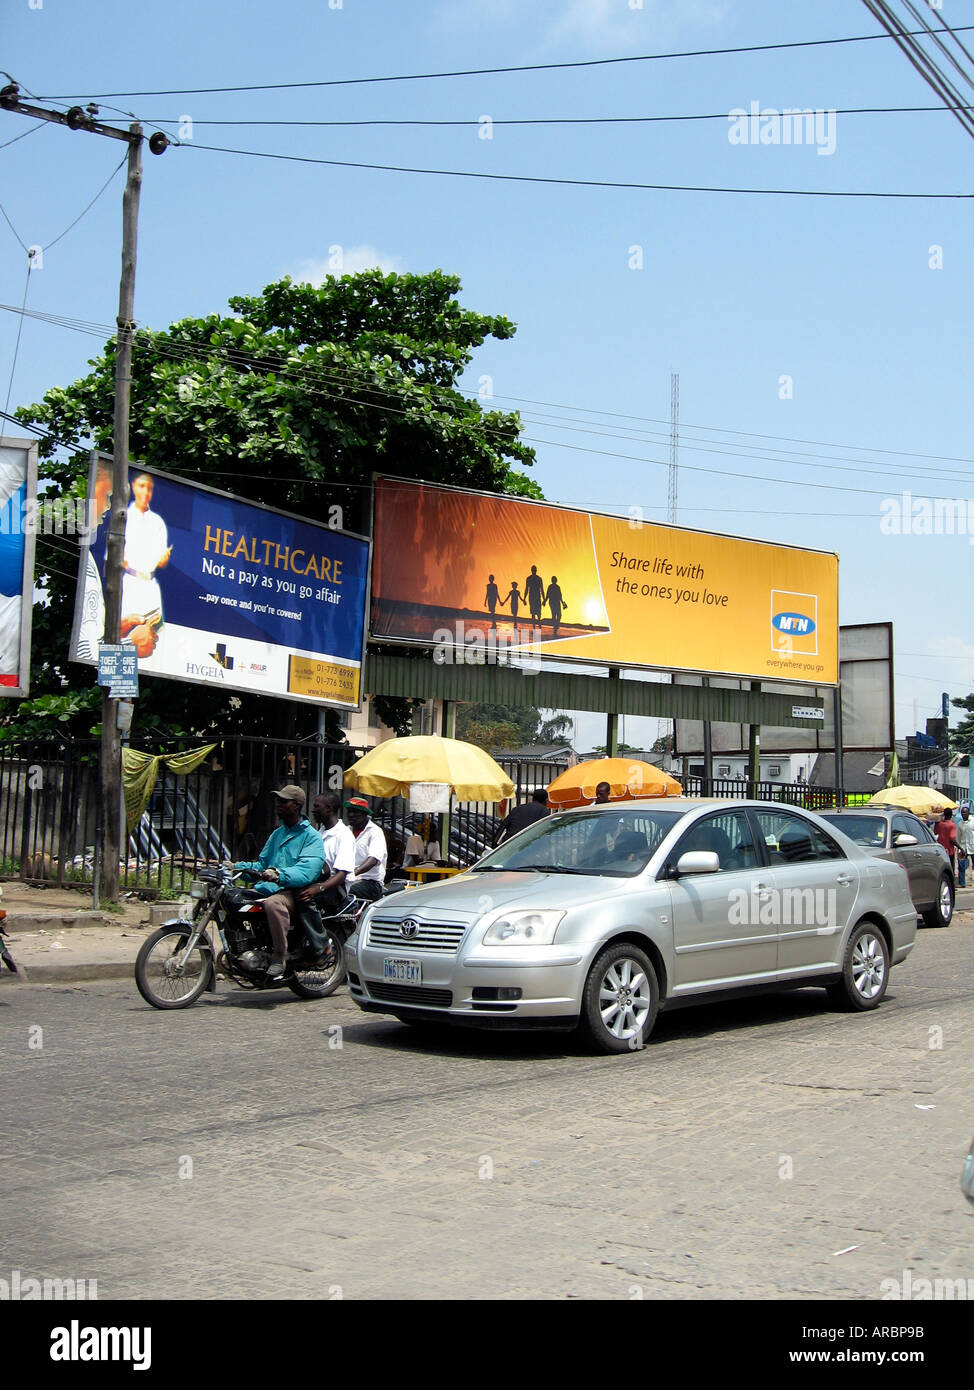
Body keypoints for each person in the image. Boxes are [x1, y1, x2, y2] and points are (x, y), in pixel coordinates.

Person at [233, 784, 324, 979]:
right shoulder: (277, 834)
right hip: (268, 887)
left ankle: (279, 956)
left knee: (273, 904)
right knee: (232, 898)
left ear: (296, 805)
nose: (278, 805)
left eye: (284, 802)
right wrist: (236, 867)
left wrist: (279, 874)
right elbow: (261, 865)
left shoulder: (311, 837)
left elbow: (307, 870)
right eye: (278, 801)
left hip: (290, 891)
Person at [75, 462, 160, 662]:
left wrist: (117, 629)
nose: (106, 506)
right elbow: (87, 655)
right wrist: (131, 644)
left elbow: (90, 639)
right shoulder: (85, 558)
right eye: (106, 496)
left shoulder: (89, 560)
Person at [121, 472, 171, 645]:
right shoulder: (123, 517)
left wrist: (163, 559)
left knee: (153, 639)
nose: (145, 492)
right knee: (126, 637)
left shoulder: (157, 522)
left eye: (149, 488)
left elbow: (161, 561)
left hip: (150, 584)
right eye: (142, 486)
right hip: (131, 582)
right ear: (134, 486)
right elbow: (113, 558)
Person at [345, 795, 388, 900]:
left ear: (364, 814)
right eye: (349, 811)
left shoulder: (375, 832)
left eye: (355, 812)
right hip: (346, 879)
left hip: (370, 882)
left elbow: (373, 859)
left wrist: (353, 873)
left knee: (344, 891)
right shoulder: (345, 831)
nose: (351, 815)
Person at [933, 808, 957, 876]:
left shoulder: (939, 824)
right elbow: (952, 839)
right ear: (951, 815)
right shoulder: (952, 825)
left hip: (940, 850)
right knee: (950, 869)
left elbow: (935, 833)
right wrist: (960, 848)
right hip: (949, 851)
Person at [956, 805, 974, 888]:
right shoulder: (960, 824)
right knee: (961, 865)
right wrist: (958, 848)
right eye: (962, 813)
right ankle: (962, 883)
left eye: (965, 812)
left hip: (972, 846)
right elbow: (958, 837)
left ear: (968, 813)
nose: (963, 814)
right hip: (963, 848)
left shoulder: (973, 821)